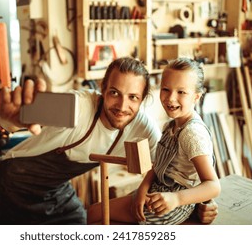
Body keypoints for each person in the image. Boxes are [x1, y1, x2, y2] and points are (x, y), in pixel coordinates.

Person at [0, 57, 218, 225]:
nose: (122, 106)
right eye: (114, 93)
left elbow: (170, 170)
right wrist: (9, 117)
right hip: (12, 188)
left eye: (133, 97)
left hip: (54, 192)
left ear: (143, 100)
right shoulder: (78, 107)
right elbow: (16, 119)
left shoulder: (142, 127)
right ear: (102, 89)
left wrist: (200, 204)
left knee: (82, 223)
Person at [87, 58, 221, 225]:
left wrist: (177, 198)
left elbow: (213, 186)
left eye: (181, 92)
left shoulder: (192, 133)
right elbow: (158, 166)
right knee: (93, 213)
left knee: (97, 217)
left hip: (172, 202)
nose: (171, 98)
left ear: (196, 97)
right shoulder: (170, 126)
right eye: (166, 89)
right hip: (157, 189)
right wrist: (142, 188)